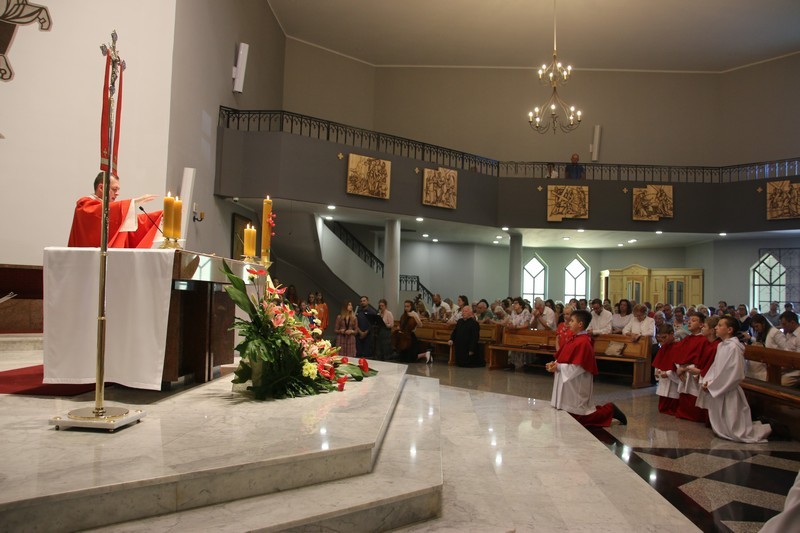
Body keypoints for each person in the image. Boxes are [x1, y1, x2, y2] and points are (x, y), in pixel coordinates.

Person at [546, 309, 627, 427]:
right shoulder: (574, 338)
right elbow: (564, 357)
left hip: (577, 382)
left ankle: (610, 409)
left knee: (580, 418)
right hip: (568, 382)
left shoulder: (583, 342)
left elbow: (579, 367)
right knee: (568, 414)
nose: (569, 323)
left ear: (580, 324)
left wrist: (558, 367)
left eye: (572, 321)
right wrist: (554, 364)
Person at [701, 316, 772, 443]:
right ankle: (724, 430)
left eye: (720, 325)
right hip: (719, 386)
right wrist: (708, 380)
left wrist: (713, 385)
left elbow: (734, 373)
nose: (716, 327)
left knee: (734, 424)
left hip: (729, 388)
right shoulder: (721, 345)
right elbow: (715, 366)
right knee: (723, 421)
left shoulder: (734, 347)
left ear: (729, 330)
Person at [68, 172, 163, 248]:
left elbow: (133, 224)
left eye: (118, 190)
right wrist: (134, 202)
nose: (117, 193)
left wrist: (158, 216)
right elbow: (99, 214)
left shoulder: (110, 209)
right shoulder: (84, 204)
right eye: (114, 189)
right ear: (101, 188)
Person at [742, 313, 787, 381]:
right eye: (754, 327)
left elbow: (785, 349)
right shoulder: (760, 333)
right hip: (764, 361)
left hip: (774, 363)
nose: (756, 329)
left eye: (757, 326)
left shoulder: (775, 332)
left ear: (763, 323)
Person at [652, 324, 681, 415]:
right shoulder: (664, 347)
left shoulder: (679, 346)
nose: (663, 340)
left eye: (664, 337)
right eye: (661, 338)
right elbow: (659, 362)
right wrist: (658, 371)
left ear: (672, 334)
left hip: (673, 377)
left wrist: (668, 373)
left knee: (673, 394)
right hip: (664, 376)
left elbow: (679, 365)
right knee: (663, 406)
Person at [505, 297, 532, 370]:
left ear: (521, 305)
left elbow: (526, 325)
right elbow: (510, 321)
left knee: (521, 351)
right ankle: (512, 364)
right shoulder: (513, 312)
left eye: (516, 303)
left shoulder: (525, 312)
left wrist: (516, 327)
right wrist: (509, 325)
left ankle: (522, 365)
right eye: (513, 303)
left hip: (524, 334)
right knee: (513, 349)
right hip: (514, 334)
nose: (514, 305)